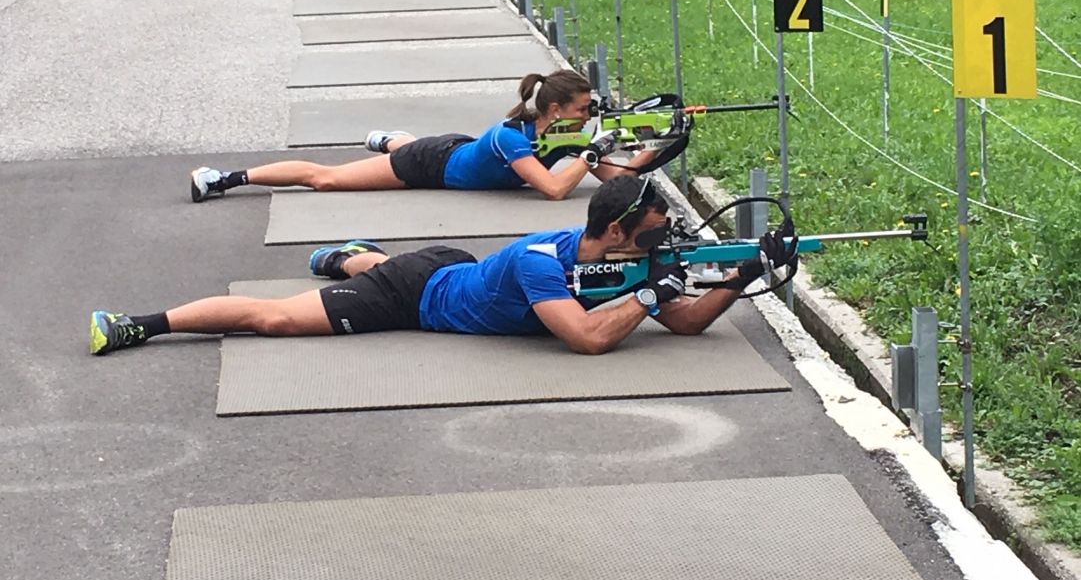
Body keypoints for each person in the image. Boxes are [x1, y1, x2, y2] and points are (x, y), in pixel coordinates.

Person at [89, 176, 796, 356]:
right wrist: (648, 295)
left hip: (453, 268)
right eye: (649, 239)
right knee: (274, 318)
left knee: (401, 267)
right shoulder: (540, 265)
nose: (658, 251)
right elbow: (584, 340)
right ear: (615, 231)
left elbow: (684, 326)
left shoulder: (621, 264)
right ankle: (137, 323)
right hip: (412, 296)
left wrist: (743, 275)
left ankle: (347, 255)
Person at [189, 70, 658, 203]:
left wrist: (656, 142)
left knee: (407, 146)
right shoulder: (513, 138)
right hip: (430, 166)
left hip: (456, 153)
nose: (588, 116)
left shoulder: (560, 137)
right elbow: (555, 190)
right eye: (583, 110)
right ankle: (224, 178)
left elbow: (622, 171)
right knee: (326, 180)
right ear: (555, 110)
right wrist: (596, 150)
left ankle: (394, 139)